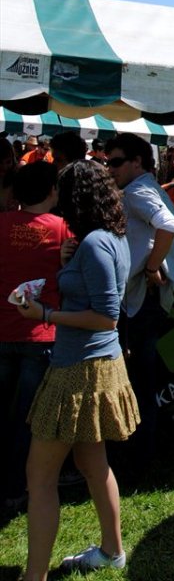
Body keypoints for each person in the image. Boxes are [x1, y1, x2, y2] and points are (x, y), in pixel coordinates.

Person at [16, 159, 139, 579]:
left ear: (74, 198)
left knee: (39, 476)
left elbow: (106, 317)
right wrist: (68, 262)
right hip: (95, 365)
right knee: (92, 462)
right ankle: (112, 552)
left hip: (80, 369)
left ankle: (34, 576)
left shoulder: (96, 243)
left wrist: (45, 314)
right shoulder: (107, 238)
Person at [104, 133, 174, 471]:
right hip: (144, 300)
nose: (110, 169)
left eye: (117, 162)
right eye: (108, 163)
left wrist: (151, 267)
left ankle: (139, 456)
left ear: (137, 162)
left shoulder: (138, 191)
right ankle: (146, 447)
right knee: (143, 378)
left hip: (141, 301)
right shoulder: (146, 188)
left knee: (140, 381)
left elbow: (169, 225)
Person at [0, 162, 69, 508]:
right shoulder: (62, 229)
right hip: (40, 334)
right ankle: (16, 487)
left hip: (4, 329)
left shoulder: (2, 223)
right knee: (28, 418)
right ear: (52, 191)